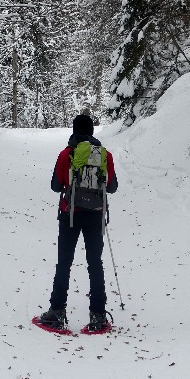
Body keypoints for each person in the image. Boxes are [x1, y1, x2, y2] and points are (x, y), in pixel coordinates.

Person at [38, 113, 118, 333]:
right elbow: (111, 188)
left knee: (64, 263)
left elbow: (56, 186)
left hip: (70, 214)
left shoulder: (66, 154)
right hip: (95, 215)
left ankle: (56, 312)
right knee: (95, 264)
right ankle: (99, 317)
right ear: (92, 132)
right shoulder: (104, 155)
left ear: (74, 131)